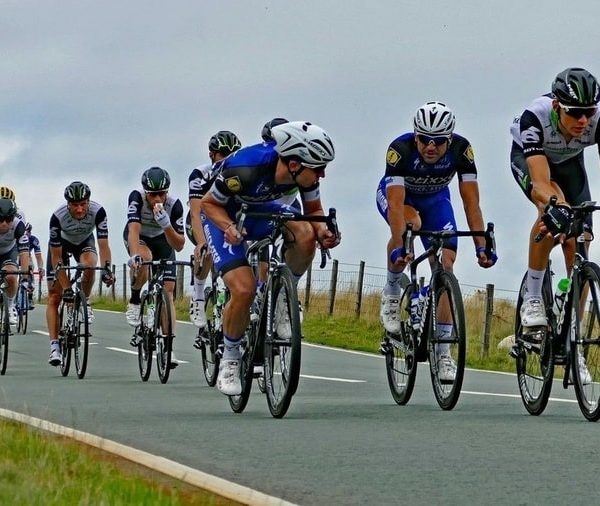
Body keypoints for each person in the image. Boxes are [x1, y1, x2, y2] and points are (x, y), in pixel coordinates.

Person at [201, 120, 340, 396]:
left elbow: (313, 210)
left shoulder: (304, 173)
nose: (323, 174)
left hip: (261, 210)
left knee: (305, 234)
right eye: (318, 167)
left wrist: (324, 231)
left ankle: (280, 300)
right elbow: (208, 203)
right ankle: (230, 356)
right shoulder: (244, 167)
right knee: (243, 289)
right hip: (226, 216)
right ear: (294, 163)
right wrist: (227, 228)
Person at [376, 101, 496, 381]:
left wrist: (481, 244)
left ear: (449, 139)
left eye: (439, 141)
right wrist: (399, 247)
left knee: (446, 265)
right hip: (400, 200)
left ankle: (443, 352)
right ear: (415, 136)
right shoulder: (399, 150)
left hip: (436, 201)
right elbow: (395, 206)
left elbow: (471, 202)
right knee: (410, 223)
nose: (431, 147)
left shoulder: (461, 151)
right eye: (424, 140)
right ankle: (393, 290)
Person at [510, 67, 600, 382]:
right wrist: (554, 207)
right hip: (533, 163)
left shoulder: (596, 120)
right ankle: (533, 297)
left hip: (571, 165)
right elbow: (540, 182)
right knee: (553, 212)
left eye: (589, 113)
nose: (584, 121)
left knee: (581, 242)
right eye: (576, 113)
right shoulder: (534, 118)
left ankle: (574, 344)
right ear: (558, 105)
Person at [46, 182, 114, 366]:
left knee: (90, 266)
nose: (79, 209)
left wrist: (107, 269)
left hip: (84, 242)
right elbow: (56, 258)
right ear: (68, 204)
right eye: (75, 205)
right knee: (54, 296)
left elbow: (103, 245)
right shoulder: (57, 217)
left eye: (83, 204)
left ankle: (85, 300)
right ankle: (54, 347)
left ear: (88, 202)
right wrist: (67, 287)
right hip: (61, 245)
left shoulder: (98, 212)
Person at [125, 167, 185, 367]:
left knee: (168, 292)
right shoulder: (136, 198)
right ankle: (135, 300)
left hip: (163, 240)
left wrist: (167, 225)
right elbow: (133, 229)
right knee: (145, 258)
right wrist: (134, 255)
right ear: (145, 192)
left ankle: (168, 348)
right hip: (140, 239)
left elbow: (179, 244)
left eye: (162, 193)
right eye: (153, 194)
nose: (157, 198)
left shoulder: (174, 205)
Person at [186, 131, 241, 331]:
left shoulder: (239, 172)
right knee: (207, 249)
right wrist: (201, 243)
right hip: (200, 219)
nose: (229, 157)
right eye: (224, 153)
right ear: (212, 154)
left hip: (225, 220)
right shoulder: (200, 174)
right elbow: (195, 212)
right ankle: (198, 295)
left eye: (234, 152)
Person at [0, 198, 31, 325]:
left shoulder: (18, 225)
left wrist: (24, 278)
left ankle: (11, 305)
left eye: (8, 219)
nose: (4, 224)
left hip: (9, 252)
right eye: (0, 219)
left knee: (12, 276)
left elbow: (24, 252)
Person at [23, 223, 45, 307]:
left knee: (30, 266)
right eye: (24, 232)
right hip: (16, 255)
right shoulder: (15, 237)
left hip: (27, 256)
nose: (26, 234)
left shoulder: (34, 240)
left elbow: (38, 257)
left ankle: (30, 296)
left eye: (28, 232)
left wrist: (40, 268)